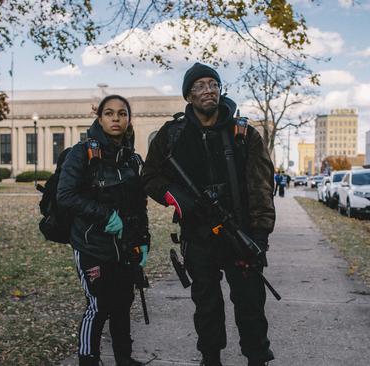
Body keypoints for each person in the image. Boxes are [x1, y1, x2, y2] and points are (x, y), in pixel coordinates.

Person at [142, 63, 276, 366]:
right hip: (198, 236)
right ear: (189, 95)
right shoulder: (172, 134)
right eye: (200, 85)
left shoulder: (244, 134)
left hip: (239, 232)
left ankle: (257, 357)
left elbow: (261, 188)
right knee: (206, 305)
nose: (208, 90)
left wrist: (259, 237)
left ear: (220, 90)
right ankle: (210, 358)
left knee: (250, 303)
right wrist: (177, 199)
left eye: (213, 84)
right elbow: (150, 176)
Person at [57, 95, 150, 366]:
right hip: (91, 245)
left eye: (122, 113)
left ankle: (124, 358)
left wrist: (142, 239)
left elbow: (139, 205)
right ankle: (88, 359)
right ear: (99, 118)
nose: (116, 119)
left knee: (122, 303)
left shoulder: (133, 159)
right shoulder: (82, 153)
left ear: (128, 119)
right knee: (98, 305)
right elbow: (65, 196)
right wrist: (106, 216)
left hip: (124, 246)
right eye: (109, 113)